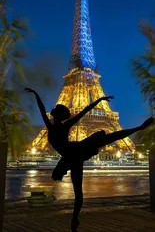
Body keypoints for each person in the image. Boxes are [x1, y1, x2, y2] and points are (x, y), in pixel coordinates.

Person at [25, 88, 154, 231]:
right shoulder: (63, 125)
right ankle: (74, 219)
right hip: (74, 155)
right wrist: (35, 93)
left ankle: (75, 220)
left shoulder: (54, 126)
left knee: (105, 140)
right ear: (62, 115)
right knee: (105, 139)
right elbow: (82, 112)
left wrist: (99, 100)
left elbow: (48, 110)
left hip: (73, 154)